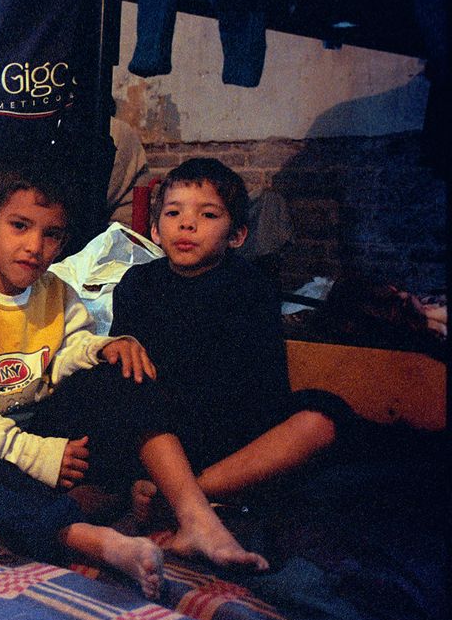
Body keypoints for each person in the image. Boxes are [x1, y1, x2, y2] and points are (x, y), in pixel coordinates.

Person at [0, 159, 267, 595]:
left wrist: (102, 347)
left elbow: (67, 352)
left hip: (51, 435)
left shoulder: (54, 290)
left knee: (121, 368)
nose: (34, 247)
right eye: (20, 226)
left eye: (52, 235)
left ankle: (195, 516)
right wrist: (33, 455)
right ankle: (90, 538)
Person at [109, 158, 348, 515]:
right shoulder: (138, 283)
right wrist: (117, 346)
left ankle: (189, 494)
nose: (187, 224)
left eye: (208, 215)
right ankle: (186, 493)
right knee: (115, 391)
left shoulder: (250, 286)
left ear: (236, 235)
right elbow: (127, 368)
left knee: (324, 416)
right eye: (173, 214)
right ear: (155, 231)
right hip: (162, 427)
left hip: (232, 425)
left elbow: (260, 382)